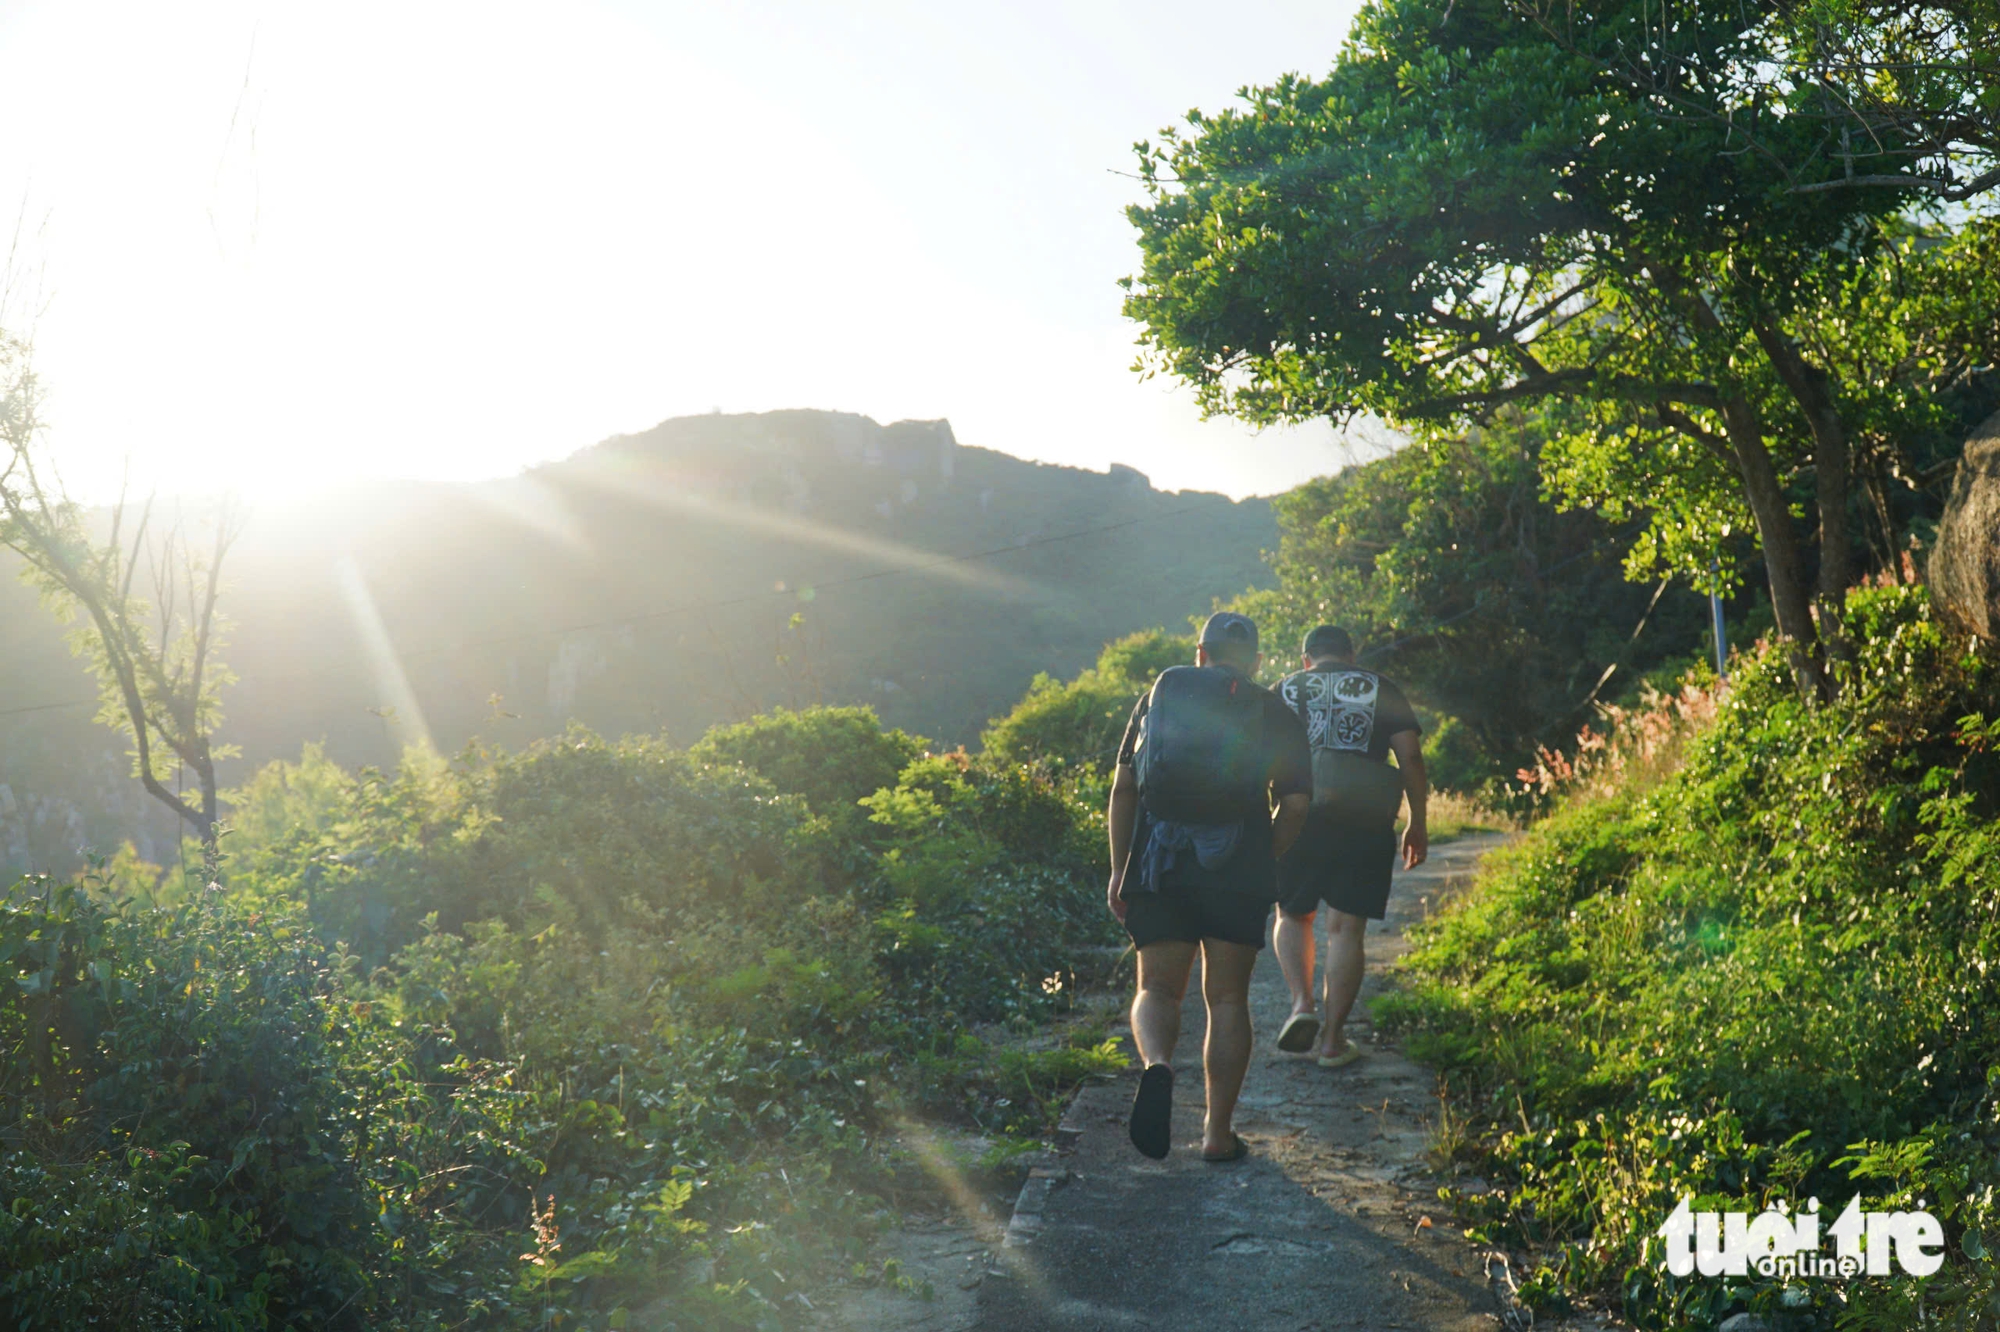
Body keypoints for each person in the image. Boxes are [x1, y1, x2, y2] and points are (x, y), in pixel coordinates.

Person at [1106, 611, 1311, 1162]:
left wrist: (1119, 867)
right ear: (1257, 662)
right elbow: (1294, 804)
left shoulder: (1160, 694)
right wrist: (1261, 856)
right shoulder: (1274, 709)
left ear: (1200, 653)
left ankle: (1157, 1065)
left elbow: (1125, 789)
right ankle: (1217, 1135)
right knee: (1226, 998)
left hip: (1159, 861)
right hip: (1237, 865)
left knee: (1156, 989)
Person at [1270, 625, 1427, 1067]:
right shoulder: (1381, 687)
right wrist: (1418, 820)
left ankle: (1302, 1005)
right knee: (1345, 930)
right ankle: (1333, 1043)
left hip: (1298, 812)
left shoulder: (1283, 689)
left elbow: (1255, 755)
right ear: (1351, 657)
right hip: (1363, 820)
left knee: (1292, 913)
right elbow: (1410, 757)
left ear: (1307, 659)